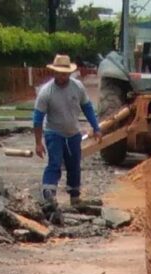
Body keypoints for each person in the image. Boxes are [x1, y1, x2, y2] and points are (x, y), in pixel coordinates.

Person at [32, 53, 100, 212]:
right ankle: (49, 193)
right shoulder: (46, 92)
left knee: (74, 165)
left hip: (73, 133)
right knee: (54, 163)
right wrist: (38, 143)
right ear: (54, 72)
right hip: (54, 132)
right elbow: (37, 119)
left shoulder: (78, 87)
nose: (62, 76)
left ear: (69, 73)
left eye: (65, 74)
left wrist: (96, 127)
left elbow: (87, 108)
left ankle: (75, 197)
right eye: (59, 73)